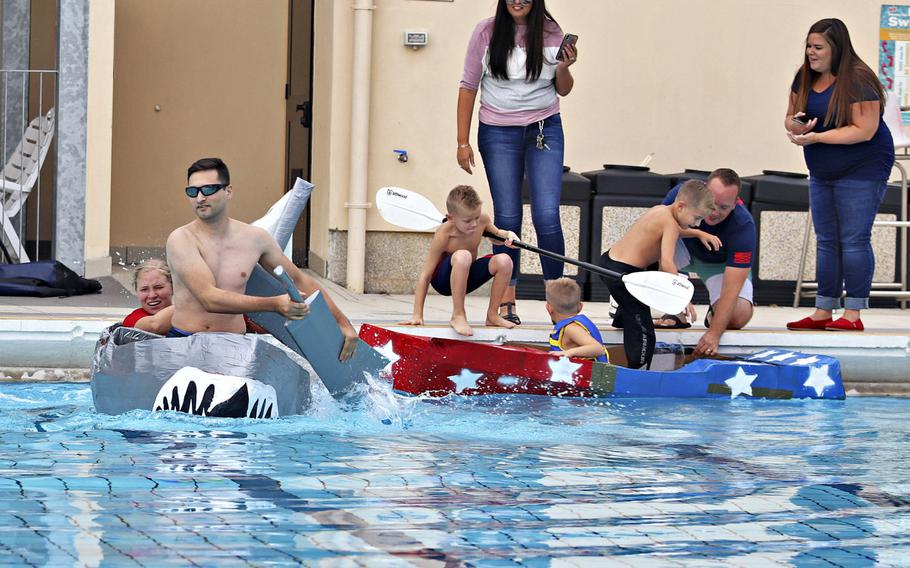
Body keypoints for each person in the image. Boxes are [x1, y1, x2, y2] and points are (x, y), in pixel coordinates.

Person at [456, 0, 577, 325]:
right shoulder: (485, 32)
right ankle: (505, 299)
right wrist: (462, 141)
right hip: (497, 132)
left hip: (544, 128)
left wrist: (564, 68)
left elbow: (562, 90)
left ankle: (558, 303)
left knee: (547, 215)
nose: (518, 0)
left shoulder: (551, 31)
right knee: (508, 216)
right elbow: (468, 87)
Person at [166, 157, 358, 360]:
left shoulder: (255, 239)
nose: (199, 198)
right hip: (185, 342)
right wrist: (275, 304)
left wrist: (343, 323)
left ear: (228, 191)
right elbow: (209, 298)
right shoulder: (181, 239)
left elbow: (301, 280)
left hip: (235, 344)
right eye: (192, 191)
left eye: (208, 189)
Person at [784, 18, 895, 332]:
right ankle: (823, 310)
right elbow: (790, 118)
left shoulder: (859, 80)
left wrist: (817, 137)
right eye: (809, 46)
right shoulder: (804, 77)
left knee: (854, 240)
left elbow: (865, 130)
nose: (811, 53)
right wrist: (797, 128)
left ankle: (853, 314)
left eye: (818, 47)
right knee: (827, 240)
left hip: (864, 167)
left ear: (837, 49)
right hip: (822, 168)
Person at [599, 180, 714, 369]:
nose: (697, 224)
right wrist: (682, 297)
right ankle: (638, 370)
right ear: (681, 206)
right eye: (696, 218)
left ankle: (622, 314)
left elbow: (676, 231)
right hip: (622, 276)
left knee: (635, 304)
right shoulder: (669, 223)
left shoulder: (660, 210)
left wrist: (697, 234)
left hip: (612, 263)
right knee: (644, 329)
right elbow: (667, 262)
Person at [658, 169, 757, 356]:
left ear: (736, 204)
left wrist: (714, 333)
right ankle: (672, 311)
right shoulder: (683, 194)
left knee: (739, 315)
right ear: (704, 189)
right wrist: (677, 294)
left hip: (716, 265)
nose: (714, 212)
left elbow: (731, 290)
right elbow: (655, 228)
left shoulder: (743, 227)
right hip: (681, 250)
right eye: (712, 203)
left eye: (724, 207)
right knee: (651, 240)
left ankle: (714, 314)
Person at [401, 185, 518, 337]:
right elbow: (425, 276)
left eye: (476, 217)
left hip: (467, 276)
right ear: (451, 218)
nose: (475, 224)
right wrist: (417, 314)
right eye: (468, 220)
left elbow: (495, 235)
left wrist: (508, 235)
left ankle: (492, 315)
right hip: (443, 282)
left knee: (505, 260)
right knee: (463, 255)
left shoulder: (482, 220)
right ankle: (458, 315)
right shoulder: (444, 234)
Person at [545, 277, 608, 362]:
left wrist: (569, 352)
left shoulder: (571, 329)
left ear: (549, 308)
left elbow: (599, 349)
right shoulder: (569, 327)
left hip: (595, 374)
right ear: (580, 306)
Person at [122, 259, 175, 335]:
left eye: (158, 287)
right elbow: (154, 326)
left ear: (173, 287)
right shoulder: (133, 319)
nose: (152, 295)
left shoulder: (187, 314)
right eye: (144, 289)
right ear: (137, 292)